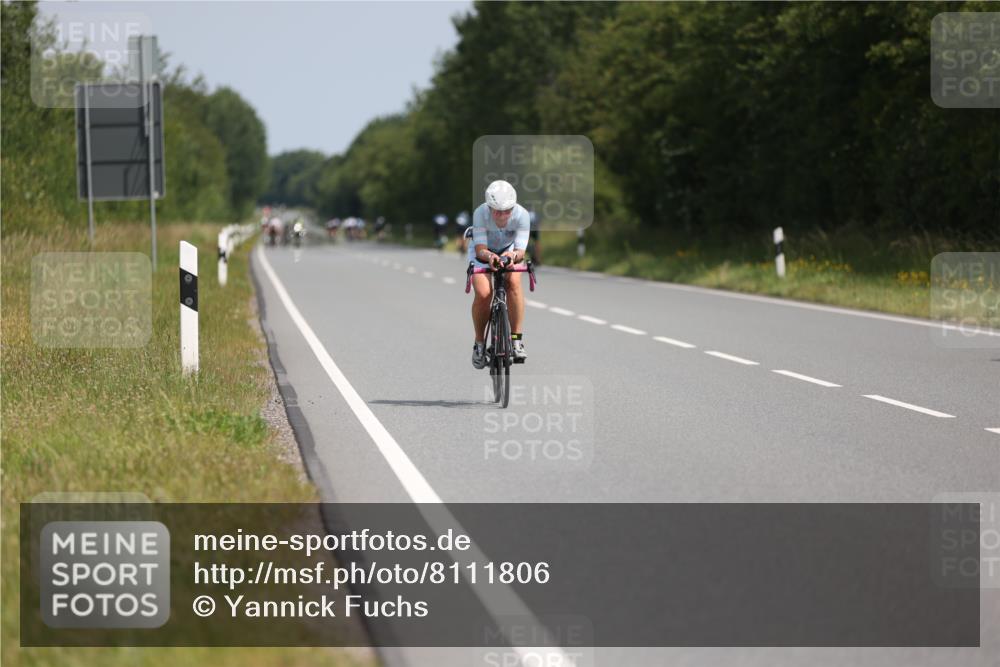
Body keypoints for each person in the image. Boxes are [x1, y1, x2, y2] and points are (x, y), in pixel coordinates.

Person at [469, 180, 530, 368]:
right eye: (497, 211)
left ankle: (516, 340)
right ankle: (479, 344)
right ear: (489, 207)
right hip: (483, 252)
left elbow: (521, 251)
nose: (502, 215)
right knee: (484, 293)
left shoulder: (522, 215)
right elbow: (480, 249)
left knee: (513, 283)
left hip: (508, 249)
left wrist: (512, 255)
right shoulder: (480, 213)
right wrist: (490, 257)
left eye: (507, 211)